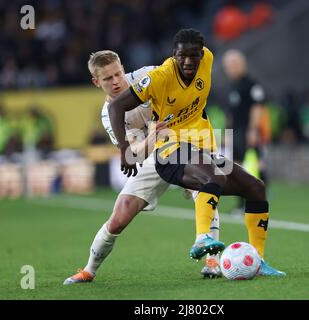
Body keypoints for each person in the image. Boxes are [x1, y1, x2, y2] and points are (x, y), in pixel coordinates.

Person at [108, 28, 285, 276]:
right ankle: (202, 238)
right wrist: (124, 148)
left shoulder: (209, 60)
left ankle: (258, 262)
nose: (188, 61)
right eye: (182, 56)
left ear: (202, 54)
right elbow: (116, 106)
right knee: (214, 177)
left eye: (194, 55)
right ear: (173, 55)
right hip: (169, 152)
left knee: (256, 187)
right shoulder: (160, 77)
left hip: (201, 148)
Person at [64, 50, 222, 285]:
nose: (116, 81)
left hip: (188, 139)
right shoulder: (110, 116)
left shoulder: (148, 76)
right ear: (96, 82)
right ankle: (89, 270)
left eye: (118, 73)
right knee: (120, 215)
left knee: (204, 188)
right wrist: (153, 136)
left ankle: (212, 261)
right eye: (107, 78)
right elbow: (132, 153)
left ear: (123, 67)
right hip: (154, 153)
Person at [221, 49, 269, 214]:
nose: (231, 68)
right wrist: (227, 133)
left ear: (243, 64)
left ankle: (258, 202)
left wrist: (253, 130)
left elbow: (257, 107)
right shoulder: (231, 87)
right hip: (235, 132)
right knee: (236, 167)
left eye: (234, 64)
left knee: (255, 166)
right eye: (228, 65)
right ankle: (242, 204)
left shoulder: (251, 85)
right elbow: (229, 114)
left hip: (248, 131)